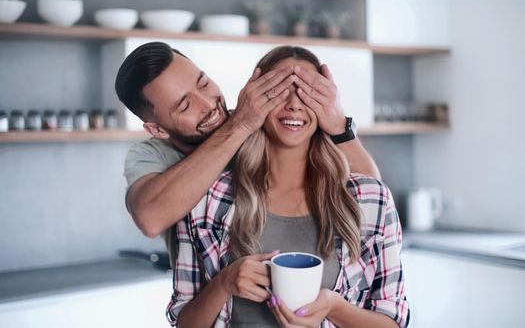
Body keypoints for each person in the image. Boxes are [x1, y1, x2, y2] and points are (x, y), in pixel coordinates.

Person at [167, 46, 409, 328]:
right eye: (278, 90)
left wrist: (335, 308)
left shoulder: (371, 199)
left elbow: (394, 322)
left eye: (307, 92)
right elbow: (184, 323)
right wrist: (224, 282)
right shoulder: (206, 199)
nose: (294, 104)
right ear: (255, 100)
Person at [115, 42, 381, 260]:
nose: (209, 104)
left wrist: (338, 126)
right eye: (185, 106)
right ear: (157, 130)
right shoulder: (151, 155)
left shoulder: (264, 121)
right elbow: (150, 217)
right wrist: (239, 126)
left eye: (204, 83)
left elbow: (373, 199)